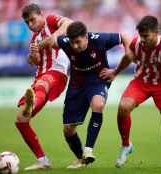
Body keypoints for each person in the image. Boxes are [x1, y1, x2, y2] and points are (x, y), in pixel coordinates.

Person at [36, 21, 131, 168]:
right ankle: (82, 159)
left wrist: (118, 67)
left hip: (98, 79)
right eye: (72, 43)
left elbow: (124, 36)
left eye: (78, 42)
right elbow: (52, 41)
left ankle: (88, 150)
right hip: (77, 84)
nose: (75, 46)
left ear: (86, 37)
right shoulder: (65, 41)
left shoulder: (100, 39)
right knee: (68, 129)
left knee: (98, 105)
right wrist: (36, 47)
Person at [100, 15, 161, 168]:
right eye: (141, 35)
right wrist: (115, 72)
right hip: (141, 81)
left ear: (156, 31)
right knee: (123, 107)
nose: (143, 39)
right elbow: (128, 57)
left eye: (146, 36)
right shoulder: (137, 43)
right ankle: (126, 145)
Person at [15, 3, 72, 171]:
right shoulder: (33, 40)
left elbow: (69, 23)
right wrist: (32, 56)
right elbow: (34, 62)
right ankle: (43, 160)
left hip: (56, 72)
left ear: (41, 14)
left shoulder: (51, 20)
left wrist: (52, 37)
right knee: (21, 120)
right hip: (40, 77)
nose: (31, 25)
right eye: (28, 23)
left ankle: (31, 103)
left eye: (33, 20)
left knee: (43, 84)